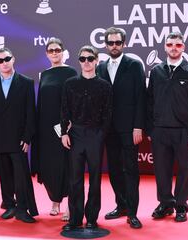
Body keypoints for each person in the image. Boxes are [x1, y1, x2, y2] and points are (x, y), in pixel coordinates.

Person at [146, 32, 188, 222]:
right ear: (165, 47)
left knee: (185, 169)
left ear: (183, 48)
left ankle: (181, 206)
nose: (173, 48)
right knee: (162, 170)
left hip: (184, 131)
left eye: (178, 45)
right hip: (160, 130)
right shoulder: (156, 71)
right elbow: (149, 101)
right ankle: (165, 203)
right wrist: (149, 128)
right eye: (170, 44)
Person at [0, 47, 38, 223]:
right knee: (4, 175)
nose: (4, 63)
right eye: (0, 60)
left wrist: (27, 137)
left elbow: (30, 113)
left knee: (21, 176)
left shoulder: (26, 82)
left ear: (13, 59)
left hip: (18, 139)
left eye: (7, 59)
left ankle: (22, 208)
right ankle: (10, 205)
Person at [96, 27, 146, 228]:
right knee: (115, 169)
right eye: (110, 43)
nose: (114, 46)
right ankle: (121, 205)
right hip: (108, 129)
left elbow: (141, 97)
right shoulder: (100, 67)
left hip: (129, 128)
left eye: (118, 42)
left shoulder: (134, 65)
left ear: (124, 44)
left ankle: (132, 212)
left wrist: (138, 126)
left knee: (131, 169)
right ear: (106, 45)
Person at [61, 45, 112, 230]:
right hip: (75, 135)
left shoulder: (105, 86)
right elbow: (64, 110)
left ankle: (91, 218)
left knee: (95, 180)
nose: (87, 62)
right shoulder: (70, 84)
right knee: (74, 180)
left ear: (97, 60)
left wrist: (101, 135)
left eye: (90, 58)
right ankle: (75, 219)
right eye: (83, 59)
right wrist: (64, 133)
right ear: (79, 61)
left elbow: (108, 114)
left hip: (95, 135)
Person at [31, 38, 77, 221]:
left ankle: (69, 205)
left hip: (65, 127)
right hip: (46, 128)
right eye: (51, 50)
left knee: (67, 165)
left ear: (63, 51)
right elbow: (41, 102)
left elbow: (74, 99)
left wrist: (71, 122)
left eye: (57, 49)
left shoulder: (71, 72)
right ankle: (55, 201)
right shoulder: (44, 74)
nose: (54, 53)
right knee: (50, 166)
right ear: (47, 54)